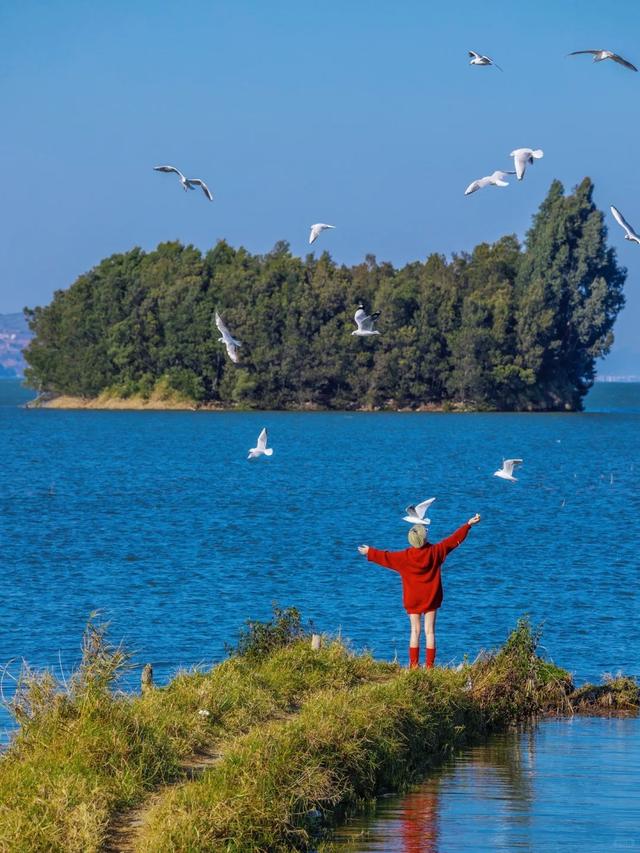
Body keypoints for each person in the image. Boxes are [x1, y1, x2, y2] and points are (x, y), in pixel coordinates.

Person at [358, 514, 481, 669]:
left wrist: (369, 551)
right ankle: (429, 667)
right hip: (431, 597)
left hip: (413, 598)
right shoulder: (436, 552)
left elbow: (385, 557)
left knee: (414, 631)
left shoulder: (404, 557)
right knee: (430, 632)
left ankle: (414, 667)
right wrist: (468, 524)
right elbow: (453, 540)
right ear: (424, 538)